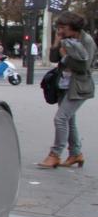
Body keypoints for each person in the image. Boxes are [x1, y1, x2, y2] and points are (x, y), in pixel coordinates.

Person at [37, 12, 95, 168]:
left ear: (72, 27)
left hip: (79, 87)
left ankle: (55, 154)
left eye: (63, 27)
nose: (60, 30)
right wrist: (56, 44)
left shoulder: (87, 41)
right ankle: (75, 154)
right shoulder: (65, 39)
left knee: (60, 119)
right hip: (63, 85)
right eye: (59, 27)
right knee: (69, 120)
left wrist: (65, 57)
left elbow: (84, 67)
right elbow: (53, 59)